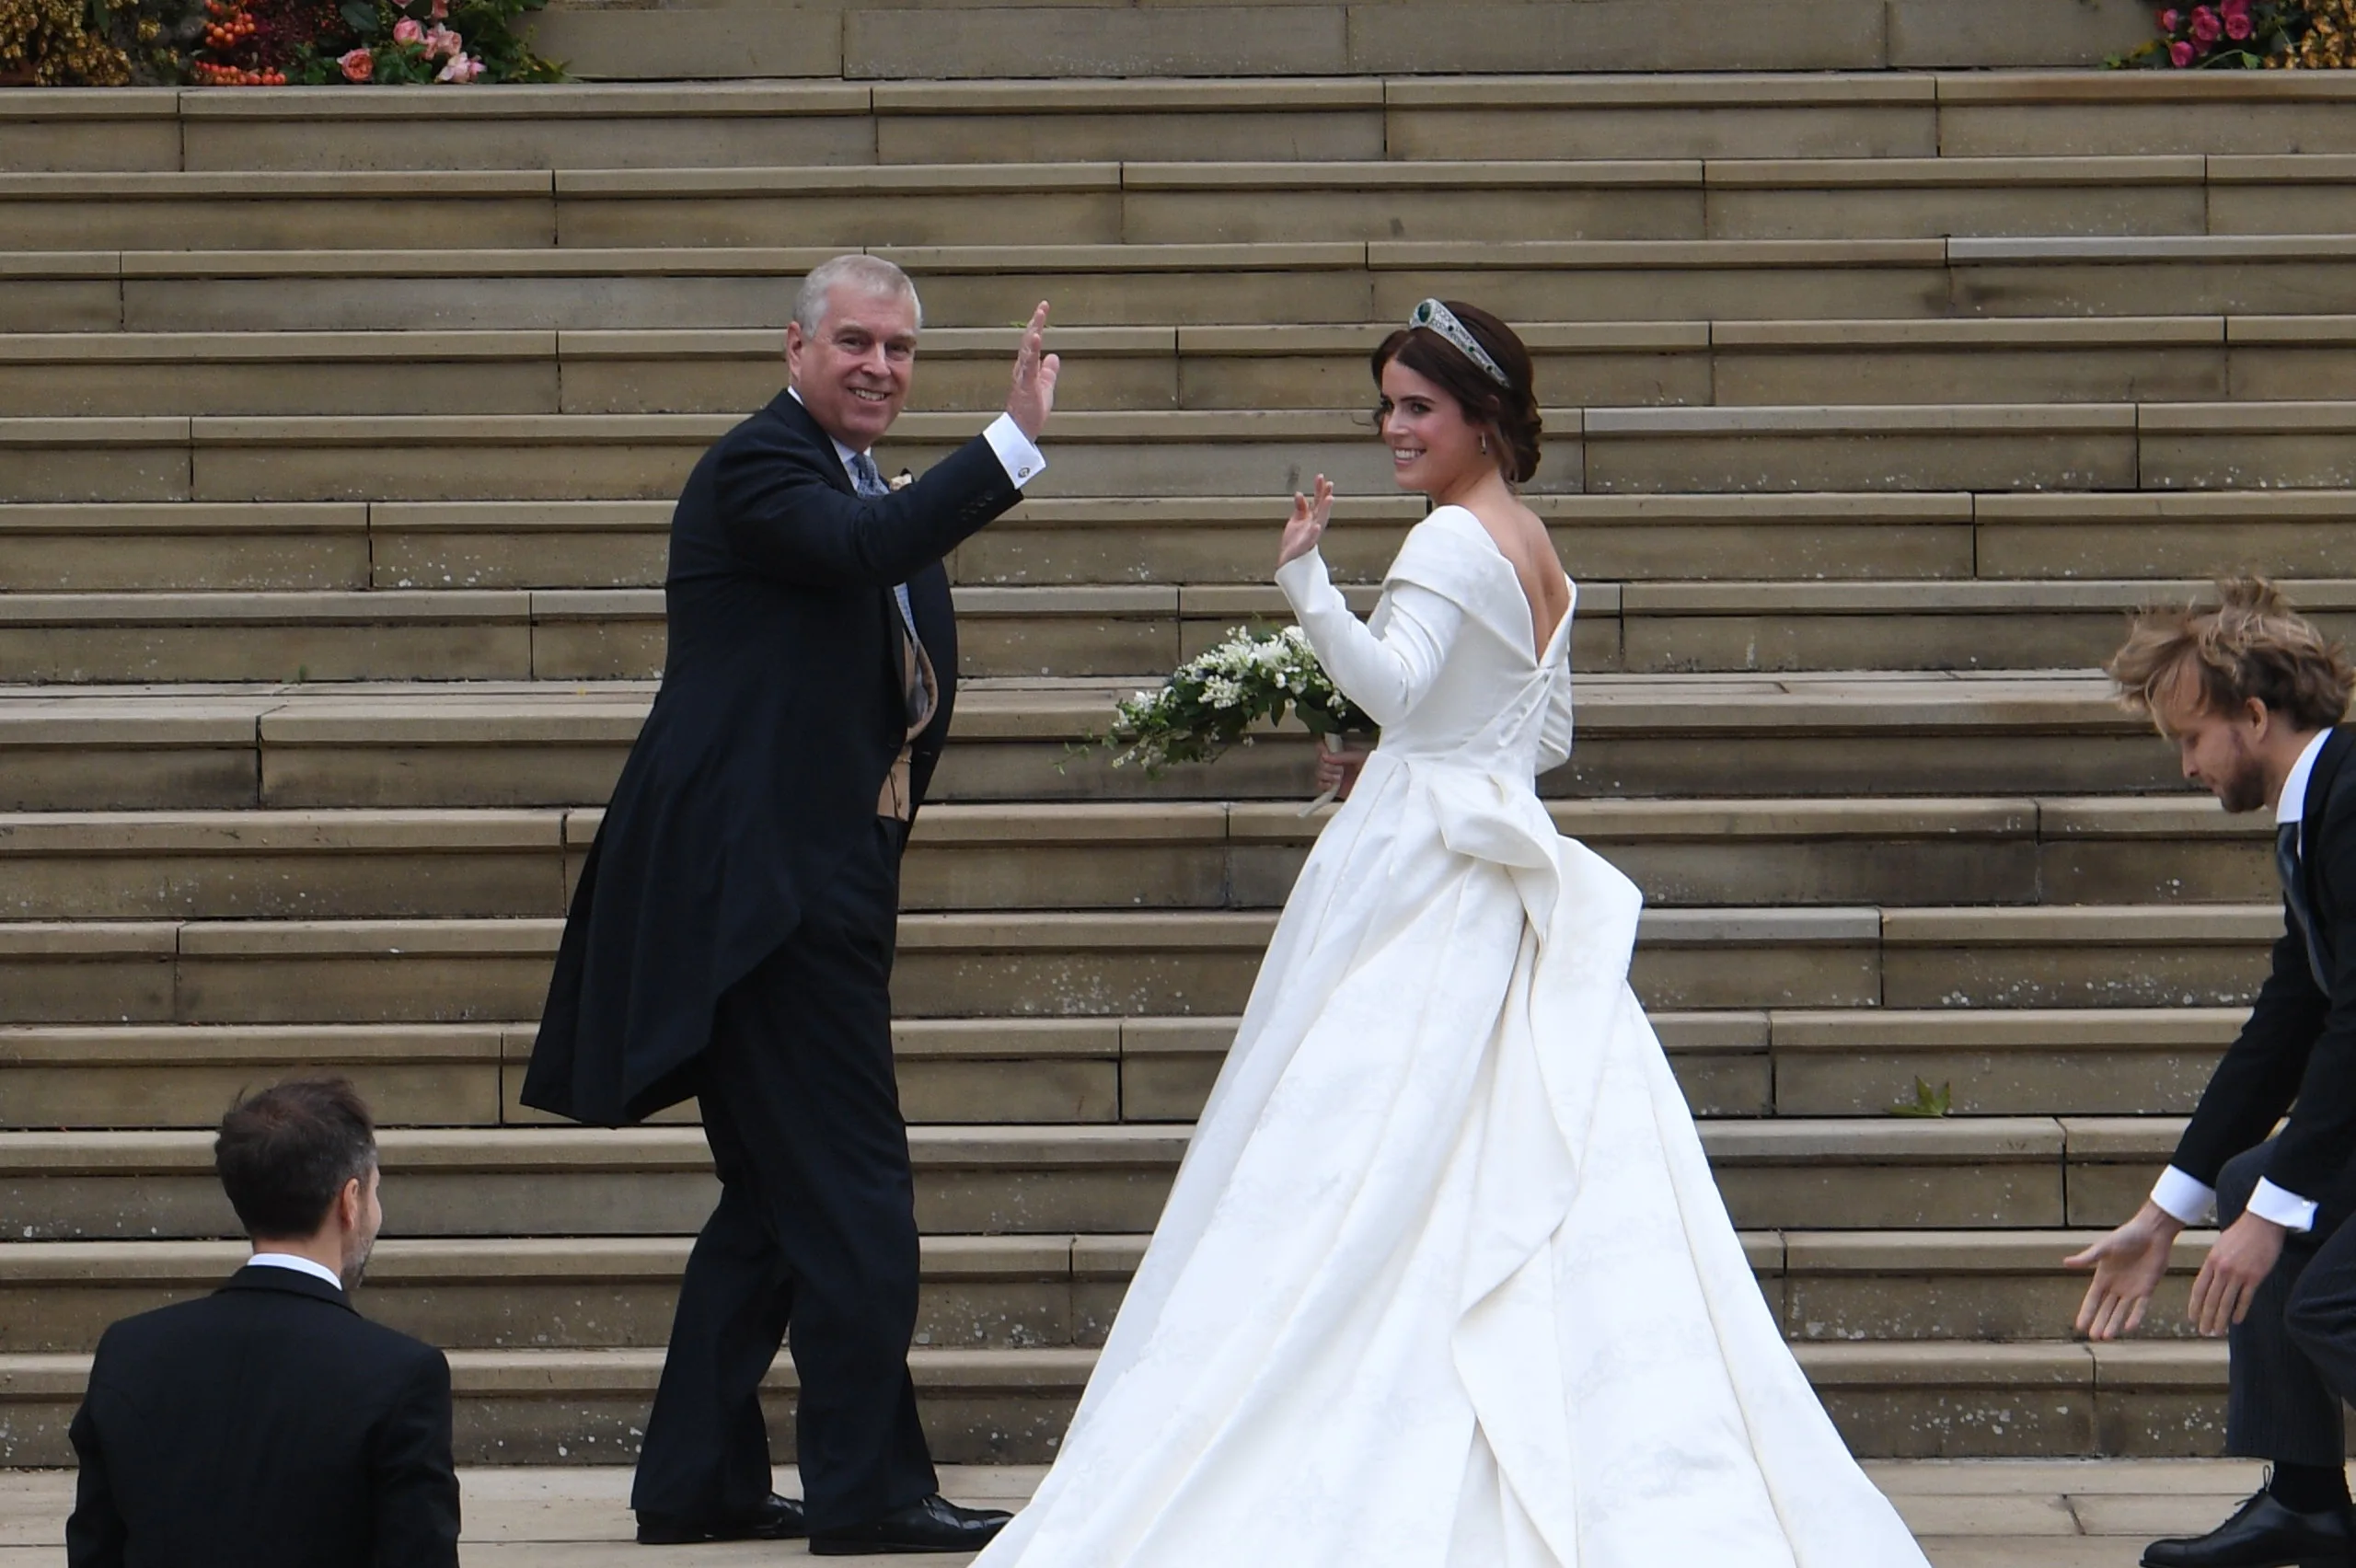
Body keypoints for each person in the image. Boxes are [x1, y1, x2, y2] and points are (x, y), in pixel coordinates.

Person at [969, 300, 1931, 1568]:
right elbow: (1545, 737)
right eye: (1385, 406)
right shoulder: (1534, 545)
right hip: (1502, 855)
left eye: (1417, 408)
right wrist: (1430, 749)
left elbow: (1396, 686)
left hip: (1420, 870)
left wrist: (1306, 583)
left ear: (1484, 416)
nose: (1393, 429)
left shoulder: (1444, 541)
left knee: (1354, 1155)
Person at [520, 254, 1057, 1555]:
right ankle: (871, 1492)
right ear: (796, 347)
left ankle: (694, 1482)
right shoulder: (762, 468)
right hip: (763, 895)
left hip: (817, 878)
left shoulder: (858, 478)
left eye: (901, 349)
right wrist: (1011, 442)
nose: (880, 367)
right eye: (856, 342)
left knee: (772, 1204)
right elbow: (867, 553)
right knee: (856, 1192)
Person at [2066, 579, 2356, 1568]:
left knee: (2330, 1299)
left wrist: (2271, 1221)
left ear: (2256, 717)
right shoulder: (2320, 808)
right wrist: (2164, 1216)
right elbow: (2288, 1024)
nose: (2186, 765)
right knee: (2243, 1182)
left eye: (2192, 739)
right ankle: (2308, 1505)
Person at [65, 1078, 459, 1568]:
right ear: (350, 1200)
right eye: (375, 1192)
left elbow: (96, 1548)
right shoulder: (401, 1374)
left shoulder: (130, 1350)